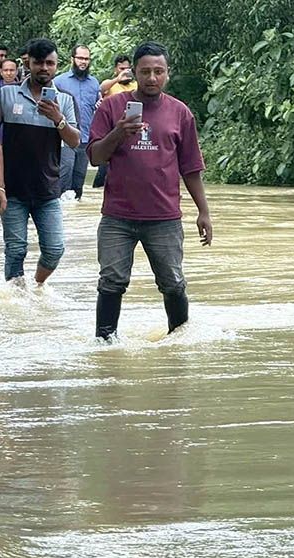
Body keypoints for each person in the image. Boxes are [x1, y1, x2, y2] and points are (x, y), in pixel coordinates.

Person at [87, 41, 213, 340]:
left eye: (159, 71)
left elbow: (191, 168)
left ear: (168, 73)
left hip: (164, 217)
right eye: (145, 71)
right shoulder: (111, 107)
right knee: (111, 282)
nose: (152, 78)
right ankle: (104, 345)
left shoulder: (180, 113)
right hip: (117, 216)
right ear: (134, 72)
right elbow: (95, 157)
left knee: (173, 283)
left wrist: (204, 212)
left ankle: (179, 344)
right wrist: (119, 132)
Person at [0, 38, 80, 287]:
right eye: (39, 63)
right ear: (28, 63)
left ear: (57, 65)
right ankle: (16, 298)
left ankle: (37, 288)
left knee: (54, 250)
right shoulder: (6, 94)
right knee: (15, 250)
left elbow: (75, 141)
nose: (44, 68)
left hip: (48, 190)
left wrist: (58, 119)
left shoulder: (65, 100)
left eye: (50, 63)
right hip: (13, 190)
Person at [55, 45, 101, 200]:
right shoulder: (58, 82)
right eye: (80, 58)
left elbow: (96, 106)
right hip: (64, 138)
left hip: (86, 138)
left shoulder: (94, 83)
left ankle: (77, 210)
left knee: (79, 180)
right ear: (72, 59)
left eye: (86, 59)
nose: (83, 62)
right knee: (64, 175)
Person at [94, 55, 137, 189]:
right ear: (115, 69)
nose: (125, 71)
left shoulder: (136, 85)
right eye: (121, 68)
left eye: (127, 68)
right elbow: (99, 89)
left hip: (130, 131)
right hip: (110, 131)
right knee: (103, 168)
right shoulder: (110, 84)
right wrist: (118, 79)